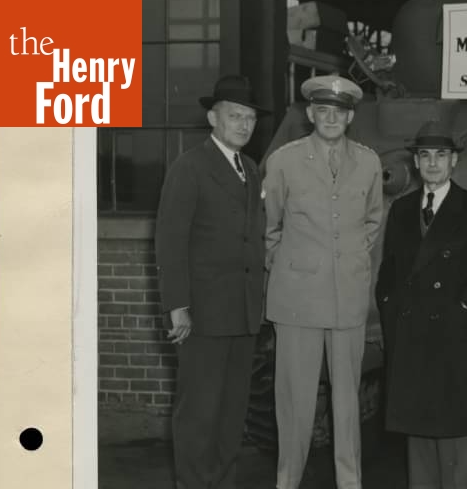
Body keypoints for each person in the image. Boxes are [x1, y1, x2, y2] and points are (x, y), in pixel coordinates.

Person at [262, 74, 384, 489]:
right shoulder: (283, 161)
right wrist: (297, 267)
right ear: (311, 113)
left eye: (340, 112)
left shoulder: (368, 162)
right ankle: (287, 481)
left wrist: (345, 261)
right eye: (324, 111)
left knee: (346, 403)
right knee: (294, 402)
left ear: (350, 118)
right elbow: (269, 228)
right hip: (297, 301)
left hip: (347, 298)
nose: (331, 118)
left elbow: (371, 221)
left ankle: (350, 482)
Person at [375, 120, 467, 489]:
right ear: (416, 163)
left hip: (451, 336)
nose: (433, 163)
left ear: (454, 162)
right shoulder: (402, 210)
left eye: (441, 155)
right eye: (425, 155)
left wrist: (465, 308)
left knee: (453, 437)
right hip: (410, 337)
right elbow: (390, 270)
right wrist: (389, 309)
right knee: (416, 438)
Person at [154, 74, 269, 489]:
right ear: (213, 118)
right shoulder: (190, 166)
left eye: (250, 118)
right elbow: (170, 240)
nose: (243, 125)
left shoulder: (251, 170)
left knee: (231, 412)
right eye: (235, 116)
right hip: (202, 314)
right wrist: (177, 306)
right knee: (199, 411)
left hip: (242, 312)